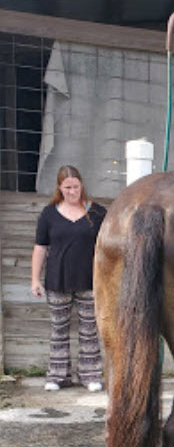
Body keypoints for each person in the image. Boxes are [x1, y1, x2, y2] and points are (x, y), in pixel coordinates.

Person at [31, 165, 106, 391]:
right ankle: (57, 376)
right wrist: (34, 279)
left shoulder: (98, 213)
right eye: (67, 188)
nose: (72, 191)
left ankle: (91, 375)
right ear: (59, 188)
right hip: (57, 282)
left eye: (76, 186)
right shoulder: (49, 214)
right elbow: (40, 247)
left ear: (81, 185)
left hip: (90, 282)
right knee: (59, 330)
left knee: (90, 329)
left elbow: (108, 247)